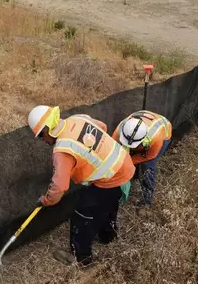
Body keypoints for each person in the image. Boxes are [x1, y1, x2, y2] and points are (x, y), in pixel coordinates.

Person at [28, 105, 135, 267]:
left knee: (82, 215)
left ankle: (81, 258)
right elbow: (102, 127)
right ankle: (108, 236)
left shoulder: (62, 151)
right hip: (124, 164)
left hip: (109, 179)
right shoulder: (77, 118)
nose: (42, 140)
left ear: (48, 129)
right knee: (108, 204)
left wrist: (46, 201)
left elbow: (59, 187)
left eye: (41, 135)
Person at [112, 110, 172, 215]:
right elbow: (114, 151)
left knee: (147, 166)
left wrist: (129, 163)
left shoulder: (156, 136)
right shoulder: (119, 130)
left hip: (165, 132)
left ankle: (146, 202)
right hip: (142, 125)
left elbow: (150, 155)